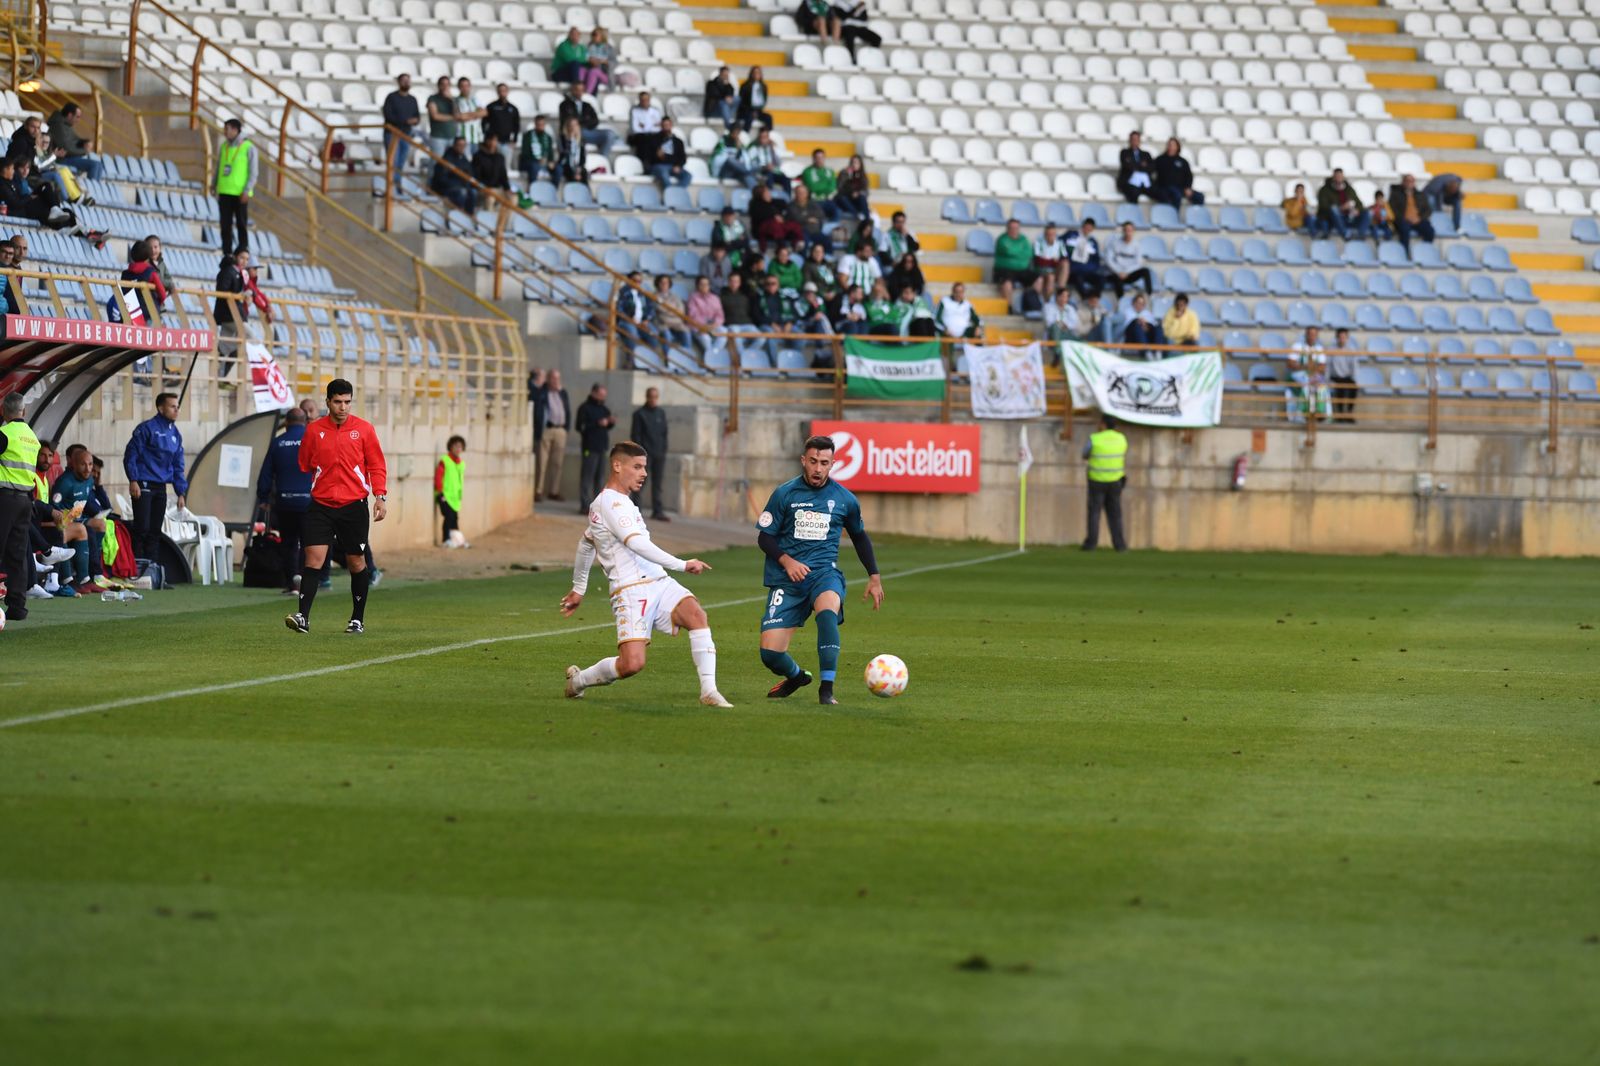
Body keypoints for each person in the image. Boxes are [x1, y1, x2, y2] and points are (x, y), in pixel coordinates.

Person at [559, 442, 730, 707]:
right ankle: (579, 681)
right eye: (637, 467)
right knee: (632, 664)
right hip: (630, 590)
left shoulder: (620, 503)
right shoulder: (608, 503)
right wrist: (682, 564)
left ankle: (709, 691)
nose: (644, 473)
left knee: (696, 614)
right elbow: (635, 543)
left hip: (657, 581)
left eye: (645, 468)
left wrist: (579, 588)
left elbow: (586, 542)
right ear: (617, 466)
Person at [756, 434, 884, 706]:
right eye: (813, 461)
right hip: (787, 580)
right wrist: (787, 561)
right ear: (804, 460)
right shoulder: (784, 493)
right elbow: (764, 537)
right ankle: (796, 676)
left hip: (824, 574)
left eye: (824, 463)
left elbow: (860, 537)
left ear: (833, 463)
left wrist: (874, 576)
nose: (817, 468)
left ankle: (826, 690)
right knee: (770, 654)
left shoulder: (844, 499)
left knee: (827, 613)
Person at [285, 379, 386, 634]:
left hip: (354, 506)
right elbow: (305, 462)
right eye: (338, 402)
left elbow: (376, 464)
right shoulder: (314, 430)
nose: (343, 407)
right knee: (313, 560)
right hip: (321, 505)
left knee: (356, 562)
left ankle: (357, 619)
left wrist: (380, 496)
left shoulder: (364, 429)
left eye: (347, 402)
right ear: (328, 402)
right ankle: (303, 617)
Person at [123, 392, 187, 563]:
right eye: (172, 406)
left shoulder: (176, 434)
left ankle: (152, 570)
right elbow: (131, 455)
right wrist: (133, 480)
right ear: (161, 408)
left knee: (155, 531)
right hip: (143, 483)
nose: (176, 410)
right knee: (142, 528)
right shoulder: (146, 428)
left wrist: (181, 492)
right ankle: (135, 568)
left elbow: (177, 465)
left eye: (177, 406)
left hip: (160, 487)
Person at [255, 407, 312, 595]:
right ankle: (305, 581)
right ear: (305, 422)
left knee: (288, 542)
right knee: (308, 543)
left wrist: (263, 497)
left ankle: (291, 583)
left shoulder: (277, 443)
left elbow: (266, 473)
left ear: (286, 423)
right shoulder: (313, 441)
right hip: (308, 501)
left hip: (285, 501)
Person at [0, 393, 41, 623]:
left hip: (5, 498)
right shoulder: (32, 437)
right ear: (23, 412)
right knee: (17, 555)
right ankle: (17, 607)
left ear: (3, 412)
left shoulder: (4, 434)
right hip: (25, 500)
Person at [49, 444, 105, 594]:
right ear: (73, 464)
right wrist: (65, 520)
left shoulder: (89, 480)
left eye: (90, 464)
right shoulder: (65, 482)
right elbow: (53, 509)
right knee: (79, 530)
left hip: (77, 518)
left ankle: (91, 575)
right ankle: (69, 579)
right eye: (83, 464)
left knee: (100, 525)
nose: (88, 469)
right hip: (60, 522)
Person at [1082, 414, 1128, 552]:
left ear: (1103, 424)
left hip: (1097, 480)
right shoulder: (1121, 439)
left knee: (1094, 513)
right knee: (1115, 514)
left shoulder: (1095, 439)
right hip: (1115, 481)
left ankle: (1091, 544)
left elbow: (1085, 454)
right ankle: (1120, 545)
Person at [215, 119, 256, 256]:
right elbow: (219, 167)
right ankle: (227, 252)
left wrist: (247, 189)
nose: (225, 132)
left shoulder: (248, 147)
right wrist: (214, 183)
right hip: (225, 191)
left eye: (228, 129)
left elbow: (253, 171)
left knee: (241, 223)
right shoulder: (224, 147)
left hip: (239, 193)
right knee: (225, 225)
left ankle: (242, 249)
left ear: (236, 130)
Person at [629, 388, 670, 521]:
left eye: (655, 397)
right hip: (645, 456)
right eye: (651, 397)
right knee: (639, 483)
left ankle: (657, 510)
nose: (653, 400)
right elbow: (636, 436)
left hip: (659, 454)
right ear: (647, 397)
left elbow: (664, 434)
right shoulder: (639, 414)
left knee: (657, 484)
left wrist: (663, 450)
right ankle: (636, 511)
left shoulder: (661, 413)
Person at [575, 384, 616, 512]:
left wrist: (610, 423)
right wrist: (597, 423)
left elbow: (606, 427)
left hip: (601, 448)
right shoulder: (584, 408)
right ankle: (585, 505)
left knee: (600, 478)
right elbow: (580, 427)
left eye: (604, 396)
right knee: (587, 477)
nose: (603, 398)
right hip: (589, 447)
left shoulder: (604, 409)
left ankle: (598, 506)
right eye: (601, 395)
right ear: (594, 393)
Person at [213, 248, 249, 380]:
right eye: (242, 258)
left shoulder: (241, 273)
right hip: (228, 315)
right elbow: (222, 292)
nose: (244, 261)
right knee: (249, 338)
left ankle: (219, 377)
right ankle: (220, 373)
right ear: (235, 257)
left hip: (233, 314)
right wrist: (239, 296)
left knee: (225, 345)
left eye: (247, 259)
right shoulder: (228, 271)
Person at [46, 103, 102, 181]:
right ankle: (94, 190)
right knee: (94, 165)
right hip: (61, 159)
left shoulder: (66, 125)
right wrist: (84, 151)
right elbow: (65, 148)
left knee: (99, 165)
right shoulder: (58, 126)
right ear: (69, 115)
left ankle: (95, 189)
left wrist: (86, 142)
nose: (78, 120)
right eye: (77, 117)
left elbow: (76, 140)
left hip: (69, 157)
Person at [381, 73, 421, 183]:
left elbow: (417, 116)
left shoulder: (413, 99)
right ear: (399, 82)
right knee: (393, 161)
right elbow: (388, 115)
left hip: (406, 134)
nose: (406, 82)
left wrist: (415, 120)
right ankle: (391, 186)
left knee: (401, 162)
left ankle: (397, 185)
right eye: (403, 80)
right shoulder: (391, 97)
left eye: (408, 80)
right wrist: (405, 121)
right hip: (392, 134)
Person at [538, 369, 570, 502]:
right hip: (547, 429)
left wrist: (566, 428)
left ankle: (554, 491)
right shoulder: (543, 392)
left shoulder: (563, 393)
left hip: (560, 430)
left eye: (558, 378)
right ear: (548, 379)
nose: (556, 381)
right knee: (542, 462)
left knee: (557, 463)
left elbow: (567, 410)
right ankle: (538, 490)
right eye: (553, 378)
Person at [559, 82, 617, 157]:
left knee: (610, 134)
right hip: (574, 132)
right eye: (577, 90)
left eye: (581, 90)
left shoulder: (587, 105)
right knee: (575, 129)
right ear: (572, 90)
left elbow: (595, 121)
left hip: (589, 132)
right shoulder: (565, 104)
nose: (579, 92)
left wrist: (580, 122)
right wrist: (585, 120)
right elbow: (569, 121)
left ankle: (602, 159)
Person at [121, 239, 168, 322]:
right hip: (149, 314)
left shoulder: (125, 274)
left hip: (130, 313)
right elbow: (162, 294)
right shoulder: (151, 272)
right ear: (147, 256)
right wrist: (157, 303)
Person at [435, 434, 468, 547]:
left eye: (460, 446)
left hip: (455, 497)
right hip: (444, 495)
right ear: (450, 447)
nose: (458, 449)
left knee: (454, 518)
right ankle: (446, 539)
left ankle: (457, 540)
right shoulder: (445, 461)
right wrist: (440, 492)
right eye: (456, 446)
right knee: (448, 517)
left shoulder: (461, 463)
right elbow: (439, 477)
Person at [1104, 220, 1152, 298]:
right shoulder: (1114, 243)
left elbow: (1139, 263)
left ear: (1133, 231)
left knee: (1146, 271)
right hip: (1117, 273)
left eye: (1130, 230)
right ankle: (1121, 301)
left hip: (1129, 273)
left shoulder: (1137, 245)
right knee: (1116, 278)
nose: (1128, 232)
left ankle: (1149, 295)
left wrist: (1126, 272)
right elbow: (1108, 260)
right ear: (1123, 231)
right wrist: (1119, 271)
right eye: (1126, 230)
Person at [993, 218, 1036, 305]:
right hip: (1005, 269)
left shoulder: (1023, 239)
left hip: (1022, 270)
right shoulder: (1002, 239)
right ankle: (1009, 307)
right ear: (1007, 228)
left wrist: (1015, 253)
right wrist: (1021, 253)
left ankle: (1032, 304)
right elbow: (1008, 251)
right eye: (1011, 228)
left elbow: (1029, 254)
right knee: (1007, 284)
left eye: (1016, 228)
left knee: (1039, 280)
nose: (1014, 230)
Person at [1316, 169, 1368, 241]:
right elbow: (1323, 206)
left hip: (1350, 216)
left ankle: (1361, 235)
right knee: (1334, 209)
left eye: (1340, 176)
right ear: (1333, 177)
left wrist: (1357, 210)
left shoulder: (1349, 189)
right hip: (1332, 218)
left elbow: (1359, 203)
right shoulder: (1325, 190)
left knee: (1367, 212)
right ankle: (1345, 234)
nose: (1339, 178)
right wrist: (1341, 208)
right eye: (1337, 176)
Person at [431, 136, 478, 213]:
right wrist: (459, 184)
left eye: (464, 145)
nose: (462, 147)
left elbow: (470, 174)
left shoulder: (464, 159)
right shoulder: (446, 159)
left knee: (473, 192)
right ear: (454, 145)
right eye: (460, 145)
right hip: (446, 189)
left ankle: (470, 216)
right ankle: (459, 215)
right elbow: (441, 179)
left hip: (461, 187)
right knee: (462, 192)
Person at [1152, 137, 1204, 208]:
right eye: (1169, 145)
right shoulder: (1160, 160)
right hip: (1166, 188)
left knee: (1200, 197)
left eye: (1173, 145)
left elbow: (1189, 176)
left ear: (1177, 147)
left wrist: (1187, 187)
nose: (1171, 147)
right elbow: (1152, 172)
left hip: (1182, 188)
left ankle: (1194, 216)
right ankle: (1174, 217)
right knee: (1176, 195)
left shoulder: (1183, 161)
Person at [1389, 174, 1434, 254]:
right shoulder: (1396, 194)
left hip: (1418, 220)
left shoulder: (1420, 194)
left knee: (1430, 231)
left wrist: (1420, 218)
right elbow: (1392, 208)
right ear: (1403, 182)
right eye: (1408, 181)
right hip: (1403, 219)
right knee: (1404, 230)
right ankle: (1404, 253)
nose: (1410, 183)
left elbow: (1428, 210)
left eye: (1412, 181)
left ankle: (1425, 252)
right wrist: (1404, 218)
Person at [482, 83, 521, 170]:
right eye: (500, 91)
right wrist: (488, 138)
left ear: (507, 92)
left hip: (507, 143)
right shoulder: (491, 107)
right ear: (497, 92)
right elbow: (484, 123)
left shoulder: (513, 109)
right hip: (494, 143)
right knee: (492, 166)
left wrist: (514, 140)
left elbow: (516, 126)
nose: (502, 93)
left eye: (504, 91)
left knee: (505, 167)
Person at [647, 116, 690, 189]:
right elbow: (649, 158)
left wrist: (678, 165)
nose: (666, 127)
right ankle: (671, 194)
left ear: (671, 125)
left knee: (688, 175)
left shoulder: (678, 141)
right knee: (664, 173)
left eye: (668, 125)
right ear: (661, 126)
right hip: (659, 166)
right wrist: (658, 157)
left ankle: (677, 192)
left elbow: (682, 157)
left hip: (673, 166)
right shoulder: (654, 139)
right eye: (664, 125)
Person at [1066, 218, 1104, 299]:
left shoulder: (1093, 242)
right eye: (1086, 227)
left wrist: (1090, 269)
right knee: (1078, 278)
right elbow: (1065, 252)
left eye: (1090, 228)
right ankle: (1085, 298)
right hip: (1074, 271)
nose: (1087, 230)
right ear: (1082, 226)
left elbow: (1096, 261)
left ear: (1092, 229)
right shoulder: (1072, 236)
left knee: (1101, 279)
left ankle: (1094, 298)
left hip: (1087, 271)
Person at [1329, 326, 1359, 424]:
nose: (1342, 339)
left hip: (1347, 377)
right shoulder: (1331, 349)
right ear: (1337, 338)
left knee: (1353, 388)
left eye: (1344, 337)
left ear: (1347, 338)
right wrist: (1327, 380)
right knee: (1340, 388)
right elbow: (1328, 366)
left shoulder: (1351, 349)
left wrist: (1354, 378)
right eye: (1340, 337)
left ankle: (1349, 412)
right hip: (1335, 377)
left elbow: (1354, 366)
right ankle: (1340, 414)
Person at [800, 148, 840, 221]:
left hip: (828, 200)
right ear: (813, 159)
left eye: (822, 158)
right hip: (814, 200)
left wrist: (820, 185)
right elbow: (812, 187)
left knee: (837, 212)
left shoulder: (830, 171)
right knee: (818, 214)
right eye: (817, 158)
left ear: (824, 158)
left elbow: (832, 187)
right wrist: (826, 185)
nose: (819, 160)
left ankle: (832, 230)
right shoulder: (807, 171)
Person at [425, 76, 458, 159]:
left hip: (452, 136)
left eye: (447, 84)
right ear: (438, 86)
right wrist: (452, 117)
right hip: (438, 137)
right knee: (436, 163)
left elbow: (458, 114)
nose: (445, 87)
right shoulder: (432, 98)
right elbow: (435, 116)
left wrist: (452, 100)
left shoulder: (453, 99)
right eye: (442, 84)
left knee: (451, 163)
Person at [1121, 292, 1163, 359]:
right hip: (1132, 337)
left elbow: (1152, 325)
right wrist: (1140, 322)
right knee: (1136, 324)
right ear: (1133, 303)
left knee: (1158, 327)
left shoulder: (1147, 313)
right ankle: (1147, 353)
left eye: (1142, 304)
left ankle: (1158, 352)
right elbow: (1128, 326)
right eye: (1138, 303)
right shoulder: (1127, 311)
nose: (1140, 305)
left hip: (1145, 335)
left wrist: (1146, 326)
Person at [1116, 130, 1153, 203]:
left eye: (1136, 139)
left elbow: (1151, 168)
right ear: (1129, 141)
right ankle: (1134, 213)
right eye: (1133, 139)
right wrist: (1141, 165)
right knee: (1133, 193)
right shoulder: (1124, 153)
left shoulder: (1146, 154)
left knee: (1159, 192)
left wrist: (1135, 164)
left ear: (1139, 141)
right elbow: (1127, 166)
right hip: (1129, 182)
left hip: (1144, 183)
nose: (1134, 141)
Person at [472, 133, 511, 199]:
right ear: (486, 141)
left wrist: (507, 188)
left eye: (495, 140)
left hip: (497, 189)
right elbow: (476, 176)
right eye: (491, 140)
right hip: (484, 189)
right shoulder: (478, 156)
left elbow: (503, 175)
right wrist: (484, 187)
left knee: (513, 198)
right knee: (491, 197)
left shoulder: (500, 157)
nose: (493, 143)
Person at [627, 91, 663, 159]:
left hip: (653, 136)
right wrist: (652, 125)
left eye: (647, 100)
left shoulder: (656, 110)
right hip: (638, 136)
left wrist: (644, 126)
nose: (645, 102)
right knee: (645, 139)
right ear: (639, 100)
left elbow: (659, 128)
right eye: (643, 100)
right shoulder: (634, 110)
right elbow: (635, 129)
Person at [555, 116, 588, 189]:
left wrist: (579, 169)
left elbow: (583, 158)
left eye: (575, 125)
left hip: (577, 165)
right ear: (567, 127)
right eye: (571, 125)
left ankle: (587, 193)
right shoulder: (562, 139)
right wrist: (570, 141)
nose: (573, 127)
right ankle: (572, 193)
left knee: (584, 172)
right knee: (571, 171)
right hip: (565, 163)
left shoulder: (581, 140)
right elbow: (563, 154)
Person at [737, 67, 773, 132]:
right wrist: (751, 110)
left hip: (758, 111)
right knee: (749, 117)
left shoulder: (763, 87)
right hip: (746, 111)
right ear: (751, 74)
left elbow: (763, 101)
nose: (757, 74)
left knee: (768, 117)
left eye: (758, 73)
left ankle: (768, 134)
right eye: (755, 73)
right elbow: (742, 102)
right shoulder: (745, 86)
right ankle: (744, 134)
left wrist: (756, 111)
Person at [454, 77, 486, 151]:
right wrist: (476, 114)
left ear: (470, 87)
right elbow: (460, 117)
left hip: (476, 138)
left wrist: (467, 115)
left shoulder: (475, 99)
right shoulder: (456, 100)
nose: (465, 88)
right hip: (463, 139)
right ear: (459, 87)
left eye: (467, 86)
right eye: (462, 86)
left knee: (477, 161)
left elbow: (484, 113)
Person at [581, 28, 614, 95]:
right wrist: (590, 60)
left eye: (595, 35)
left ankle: (587, 95)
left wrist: (603, 62)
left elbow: (614, 62)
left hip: (604, 74)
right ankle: (579, 90)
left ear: (602, 36)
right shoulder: (589, 46)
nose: (593, 36)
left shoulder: (608, 48)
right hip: (590, 68)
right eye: (592, 34)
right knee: (581, 70)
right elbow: (584, 58)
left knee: (594, 71)